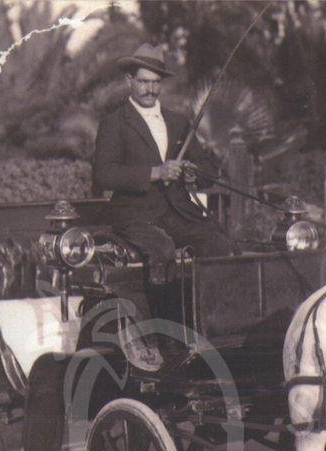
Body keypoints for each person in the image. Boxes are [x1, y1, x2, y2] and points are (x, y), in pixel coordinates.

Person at [92, 44, 234, 369]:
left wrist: (192, 173)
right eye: (143, 81)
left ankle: (214, 332)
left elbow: (208, 170)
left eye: (155, 82)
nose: (150, 89)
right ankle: (166, 341)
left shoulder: (179, 121)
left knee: (219, 244)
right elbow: (104, 173)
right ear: (130, 80)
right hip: (136, 216)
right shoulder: (115, 122)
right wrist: (156, 172)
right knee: (162, 250)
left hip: (178, 213)